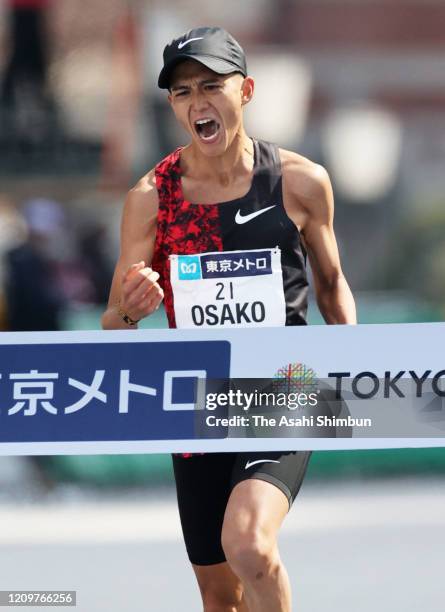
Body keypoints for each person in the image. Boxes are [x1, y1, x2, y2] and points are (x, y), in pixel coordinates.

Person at [102, 26, 356, 612]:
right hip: (197, 401)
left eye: (212, 86)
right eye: (183, 92)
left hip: (288, 384)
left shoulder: (300, 181)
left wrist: (357, 371)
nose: (198, 103)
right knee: (220, 597)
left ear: (246, 91)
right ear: (172, 105)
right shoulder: (152, 198)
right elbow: (116, 322)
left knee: (248, 543)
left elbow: (331, 285)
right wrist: (128, 309)